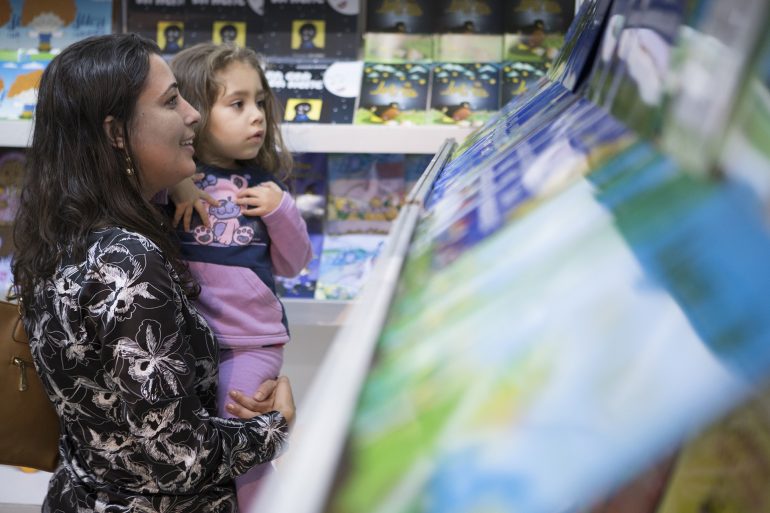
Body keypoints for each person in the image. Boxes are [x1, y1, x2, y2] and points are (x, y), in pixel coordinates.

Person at [12, 33, 295, 512]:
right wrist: (275, 427)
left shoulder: (62, 230)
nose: (193, 114)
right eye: (171, 101)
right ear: (117, 133)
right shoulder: (129, 260)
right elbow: (178, 457)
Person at [168, 42, 313, 511]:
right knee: (192, 443)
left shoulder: (266, 188)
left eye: (260, 103)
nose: (257, 117)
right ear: (190, 111)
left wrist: (282, 210)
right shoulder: (172, 182)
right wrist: (178, 181)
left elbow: (294, 263)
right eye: (237, 104)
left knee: (241, 430)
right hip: (187, 343)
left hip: (252, 341)